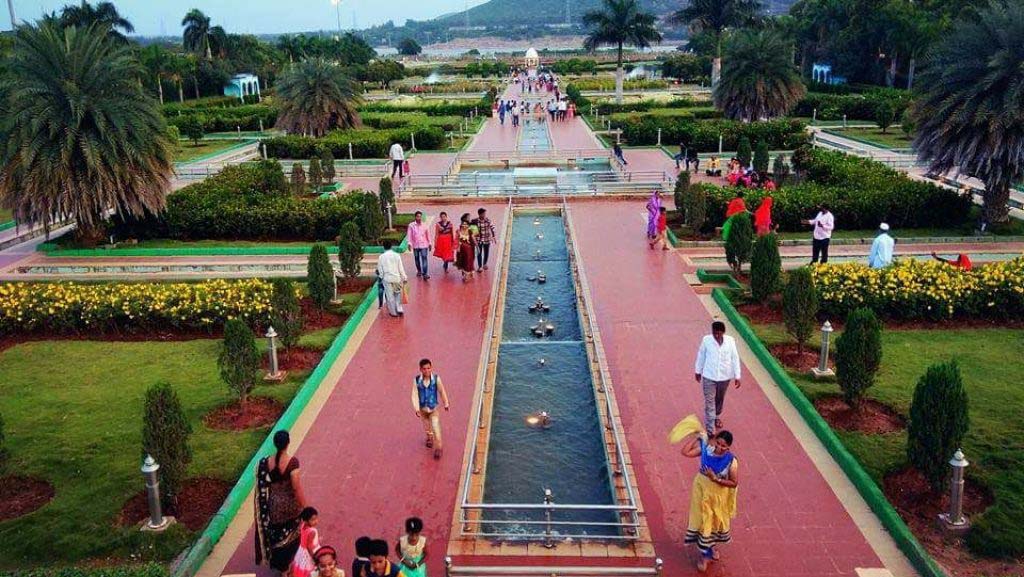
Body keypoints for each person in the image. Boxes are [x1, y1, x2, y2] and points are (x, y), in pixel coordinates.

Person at [680, 428, 739, 572]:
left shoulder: (731, 461)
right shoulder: (707, 450)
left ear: (729, 447)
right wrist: (697, 438)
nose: (719, 447)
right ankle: (706, 554)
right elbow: (685, 452)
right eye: (718, 443)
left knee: (712, 523)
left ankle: (708, 551)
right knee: (703, 521)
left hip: (717, 497)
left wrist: (715, 478)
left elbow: (734, 483)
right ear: (715, 441)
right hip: (701, 491)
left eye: (724, 446)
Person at [255, 430, 308, 574]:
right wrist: (305, 506)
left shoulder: (265, 462)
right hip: (291, 507)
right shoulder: (293, 462)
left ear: (275, 443)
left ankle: (281, 567)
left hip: (273, 506)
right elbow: (296, 488)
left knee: (277, 535)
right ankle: (289, 565)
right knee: (293, 537)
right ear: (288, 443)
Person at [694, 321, 741, 433]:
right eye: (714, 333)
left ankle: (716, 416)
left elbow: (735, 358)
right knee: (709, 401)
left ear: (723, 332)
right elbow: (701, 355)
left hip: (725, 377)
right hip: (709, 376)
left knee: (719, 399)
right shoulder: (706, 340)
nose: (716, 336)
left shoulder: (730, 341)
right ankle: (710, 429)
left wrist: (737, 376)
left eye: (718, 333)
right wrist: (698, 371)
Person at [413, 358, 451, 459]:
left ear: (431, 368)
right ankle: (429, 438)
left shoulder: (436, 379)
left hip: (433, 409)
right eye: (424, 369)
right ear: (420, 369)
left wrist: (446, 403)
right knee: (427, 427)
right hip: (423, 409)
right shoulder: (417, 380)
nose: (427, 371)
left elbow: (442, 391)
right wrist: (416, 408)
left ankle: (439, 447)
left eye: (428, 368)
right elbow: (414, 394)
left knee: (435, 427)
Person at [376, 239, 407, 317]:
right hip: (396, 278)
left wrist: (381, 277)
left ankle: (393, 312)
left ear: (384, 247)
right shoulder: (397, 255)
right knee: (397, 294)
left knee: (390, 296)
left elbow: (380, 269)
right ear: (391, 246)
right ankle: (399, 308)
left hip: (387, 278)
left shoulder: (381, 257)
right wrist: (404, 277)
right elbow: (400, 268)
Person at [292, 507, 321, 577]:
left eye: (316, 518)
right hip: (308, 553)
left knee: (301, 566)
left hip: (301, 551)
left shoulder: (302, 526)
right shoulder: (312, 531)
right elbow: (309, 547)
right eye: (313, 520)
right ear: (306, 521)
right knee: (310, 569)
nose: (316, 521)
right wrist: (314, 557)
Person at [406, 211, 432, 280]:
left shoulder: (425, 225)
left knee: (424, 258)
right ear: (415, 217)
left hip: (424, 245)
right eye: (418, 216)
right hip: (415, 245)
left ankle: (425, 274)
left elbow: (428, 235)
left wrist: (430, 243)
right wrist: (409, 243)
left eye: (420, 217)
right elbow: (409, 235)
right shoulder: (411, 225)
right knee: (417, 259)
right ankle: (419, 270)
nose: (419, 218)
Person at [456, 216, 476, 282]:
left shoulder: (470, 231)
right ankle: (465, 273)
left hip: (469, 250)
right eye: (463, 224)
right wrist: (457, 248)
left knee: (468, 261)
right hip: (461, 249)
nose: (464, 225)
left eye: (466, 224)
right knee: (462, 261)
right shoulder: (458, 231)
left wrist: (476, 245)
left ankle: (467, 276)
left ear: (468, 225)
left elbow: (473, 239)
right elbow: (457, 240)